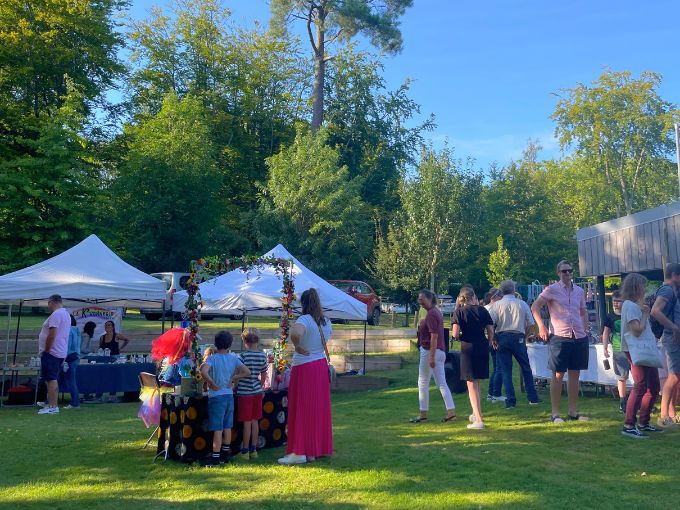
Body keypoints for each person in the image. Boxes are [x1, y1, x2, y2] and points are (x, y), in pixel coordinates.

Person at [279, 288, 334, 465]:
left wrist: (297, 346)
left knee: (301, 407)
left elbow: (295, 334)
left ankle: (300, 451)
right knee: (318, 408)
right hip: (320, 365)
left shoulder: (304, 319)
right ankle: (315, 449)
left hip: (304, 366)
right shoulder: (326, 322)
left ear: (303, 303)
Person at [531, 260, 590, 423]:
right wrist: (541, 327)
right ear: (558, 273)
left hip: (578, 336)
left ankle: (572, 412)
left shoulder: (579, 291)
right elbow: (535, 307)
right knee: (557, 374)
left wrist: (585, 329)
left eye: (570, 271)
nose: (567, 274)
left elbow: (583, 312)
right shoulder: (551, 289)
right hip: (559, 336)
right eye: (564, 271)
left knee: (575, 374)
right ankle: (555, 413)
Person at [620, 273, 663, 438]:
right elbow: (636, 330)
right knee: (640, 385)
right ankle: (629, 424)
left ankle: (643, 422)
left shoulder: (632, 305)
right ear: (637, 287)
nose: (645, 289)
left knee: (653, 386)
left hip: (642, 349)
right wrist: (645, 314)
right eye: (643, 286)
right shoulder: (630, 306)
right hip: (635, 349)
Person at [488, 280, 542, 409]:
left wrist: (493, 337)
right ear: (514, 290)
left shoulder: (496, 306)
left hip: (502, 336)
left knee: (506, 370)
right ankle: (532, 398)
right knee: (525, 368)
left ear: (501, 291)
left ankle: (511, 401)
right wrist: (525, 336)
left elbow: (490, 324)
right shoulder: (522, 304)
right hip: (518, 336)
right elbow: (531, 324)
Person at [199, 331, 250, 467]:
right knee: (227, 426)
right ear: (230, 344)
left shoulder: (212, 358)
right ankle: (225, 454)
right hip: (229, 395)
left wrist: (211, 383)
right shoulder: (233, 358)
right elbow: (247, 372)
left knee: (218, 428)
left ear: (215, 343)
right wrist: (233, 378)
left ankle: (215, 457)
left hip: (216, 396)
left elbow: (203, 371)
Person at [451, 287, 495, 429]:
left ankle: (479, 420)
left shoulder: (459, 312)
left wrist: (460, 337)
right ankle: (476, 414)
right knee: (477, 382)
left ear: (461, 298)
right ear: (473, 296)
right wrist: (488, 342)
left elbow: (455, 334)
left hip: (468, 347)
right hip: (482, 345)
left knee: (471, 384)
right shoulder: (483, 310)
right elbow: (491, 329)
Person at [410, 289, 456, 424]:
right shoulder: (436, 312)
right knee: (442, 383)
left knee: (423, 382)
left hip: (431, 351)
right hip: (439, 351)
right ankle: (451, 412)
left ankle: (423, 414)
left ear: (430, 299)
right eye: (419, 299)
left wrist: (430, 357)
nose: (420, 302)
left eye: (422, 299)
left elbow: (434, 336)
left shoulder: (431, 314)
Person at [650, 262, 680, 428]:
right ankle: (663, 416)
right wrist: (673, 327)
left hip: (674, 337)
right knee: (674, 376)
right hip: (671, 338)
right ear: (675, 275)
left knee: (677, 377)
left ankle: (671, 413)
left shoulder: (672, 290)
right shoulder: (667, 289)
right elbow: (655, 311)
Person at [236, 328, 268, 460]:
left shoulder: (242, 356)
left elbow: (238, 374)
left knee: (246, 422)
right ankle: (254, 449)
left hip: (244, 393)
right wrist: (259, 386)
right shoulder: (262, 356)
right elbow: (264, 375)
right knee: (255, 421)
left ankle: (245, 451)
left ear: (244, 341)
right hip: (256, 392)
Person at [37, 295, 71, 415]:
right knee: (50, 379)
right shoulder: (66, 314)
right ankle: (51, 404)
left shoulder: (56, 315)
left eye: (48, 304)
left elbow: (52, 335)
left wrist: (46, 350)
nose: (48, 307)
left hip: (52, 352)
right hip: (59, 351)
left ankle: (53, 406)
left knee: (51, 379)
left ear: (51, 302)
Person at [602, 290, 629, 413]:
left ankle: (639, 401)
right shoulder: (610, 316)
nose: (616, 304)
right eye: (614, 301)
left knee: (639, 377)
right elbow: (606, 332)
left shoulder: (629, 313)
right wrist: (605, 347)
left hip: (632, 349)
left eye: (619, 301)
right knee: (621, 377)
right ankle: (622, 403)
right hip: (618, 350)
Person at [484, 288, 504, 403]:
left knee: (496, 368)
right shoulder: (492, 309)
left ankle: (491, 394)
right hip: (494, 340)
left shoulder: (487, 308)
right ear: (495, 297)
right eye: (500, 296)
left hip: (491, 340)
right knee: (499, 368)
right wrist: (494, 339)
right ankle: (495, 393)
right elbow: (492, 327)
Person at [61, 314, 81, 409]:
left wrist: (63, 359)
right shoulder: (77, 330)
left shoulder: (68, 331)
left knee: (71, 381)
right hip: (76, 356)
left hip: (69, 356)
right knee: (70, 381)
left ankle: (75, 403)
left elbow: (66, 346)